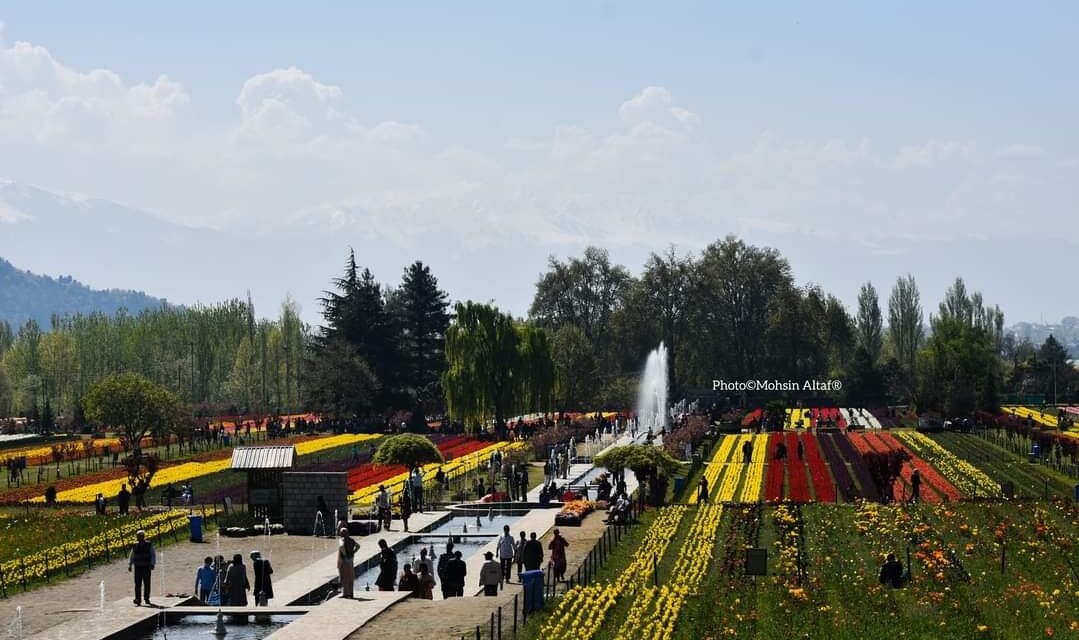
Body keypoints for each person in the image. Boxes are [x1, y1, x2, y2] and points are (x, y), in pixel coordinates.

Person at [128, 529, 156, 606]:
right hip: (138, 566)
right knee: (137, 584)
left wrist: (152, 564)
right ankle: (138, 599)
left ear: (143, 537)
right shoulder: (135, 545)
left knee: (147, 583)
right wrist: (130, 564)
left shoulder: (149, 544)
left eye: (140, 536)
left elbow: (152, 554)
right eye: (138, 536)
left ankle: (146, 598)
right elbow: (132, 555)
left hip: (146, 566)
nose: (139, 537)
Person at [338, 527, 358, 599]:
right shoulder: (352, 540)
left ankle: (346, 594)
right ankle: (351, 593)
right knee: (351, 577)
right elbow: (358, 546)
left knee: (344, 577)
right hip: (351, 560)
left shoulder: (342, 540)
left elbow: (341, 546)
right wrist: (353, 552)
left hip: (344, 560)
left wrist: (345, 555)